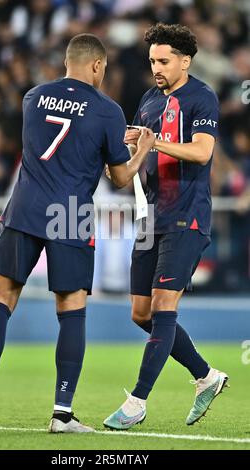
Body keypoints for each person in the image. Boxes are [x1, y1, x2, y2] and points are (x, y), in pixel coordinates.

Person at [0, 33, 155, 434]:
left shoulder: (32, 97)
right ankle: (62, 414)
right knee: (71, 309)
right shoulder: (108, 110)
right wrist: (143, 150)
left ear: (68, 61)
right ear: (98, 66)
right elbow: (119, 177)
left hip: (26, 206)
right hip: (69, 213)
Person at [104, 23, 229, 431]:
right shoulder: (148, 100)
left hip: (186, 215)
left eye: (163, 60)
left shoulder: (202, 97)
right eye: (152, 61)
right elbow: (143, 148)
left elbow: (202, 151)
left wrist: (153, 142)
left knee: (162, 307)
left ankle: (137, 402)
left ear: (185, 60)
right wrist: (128, 146)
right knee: (141, 314)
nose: (155, 67)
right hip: (150, 215)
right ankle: (207, 376)